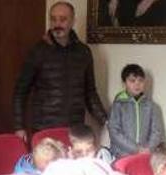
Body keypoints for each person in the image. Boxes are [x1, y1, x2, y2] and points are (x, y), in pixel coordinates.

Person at [13, 2, 106, 140]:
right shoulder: (38, 51)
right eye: (53, 19)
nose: (57, 23)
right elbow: (20, 91)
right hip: (44, 129)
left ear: (73, 21)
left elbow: (90, 92)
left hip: (74, 129)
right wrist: (18, 127)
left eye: (63, 19)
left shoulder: (83, 52)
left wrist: (106, 121)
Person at [108, 63, 165, 158]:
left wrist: (148, 149)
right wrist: (135, 149)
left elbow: (156, 131)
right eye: (132, 81)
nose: (137, 84)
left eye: (140, 81)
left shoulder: (151, 106)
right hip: (121, 155)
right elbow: (114, 132)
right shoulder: (118, 105)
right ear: (124, 83)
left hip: (144, 155)